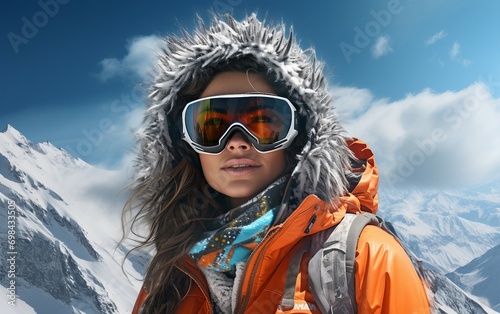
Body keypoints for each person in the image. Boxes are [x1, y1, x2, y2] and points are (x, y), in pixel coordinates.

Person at [124, 13, 431, 314]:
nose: (236, 141)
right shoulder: (169, 276)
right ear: (186, 146)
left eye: (262, 122)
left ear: (299, 138)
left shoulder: (369, 260)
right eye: (212, 126)